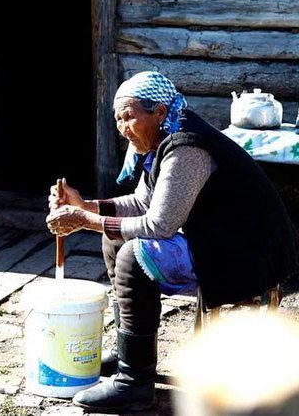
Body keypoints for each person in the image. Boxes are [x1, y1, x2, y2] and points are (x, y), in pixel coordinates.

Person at [46, 71, 298, 412]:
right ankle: (130, 355)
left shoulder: (186, 148)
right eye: (117, 119)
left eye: (128, 117)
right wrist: (84, 205)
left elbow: (159, 224)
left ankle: (134, 383)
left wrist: (85, 221)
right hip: (219, 240)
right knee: (114, 241)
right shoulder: (162, 141)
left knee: (133, 256)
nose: (122, 127)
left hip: (244, 253)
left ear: (159, 113)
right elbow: (142, 203)